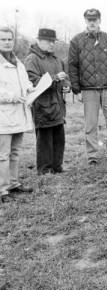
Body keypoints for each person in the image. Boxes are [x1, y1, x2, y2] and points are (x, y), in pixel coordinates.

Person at [68, 8, 107, 165]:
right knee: (91, 124)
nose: (92, 22)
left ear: (99, 20)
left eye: (95, 19)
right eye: (89, 19)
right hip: (88, 89)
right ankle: (92, 156)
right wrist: (76, 89)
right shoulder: (76, 41)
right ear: (85, 21)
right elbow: (72, 67)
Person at [25, 28, 71, 175]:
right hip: (42, 106)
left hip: (58, 105)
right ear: (39, 41)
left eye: (53, 41)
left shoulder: (56, 59)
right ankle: (44, 171)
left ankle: (57, 167)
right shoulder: (32, 59)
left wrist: (66, 86)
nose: (52, 44)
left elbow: (66, 79)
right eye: (48, 41)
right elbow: (33, 82)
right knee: (44, 139)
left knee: (59, 138)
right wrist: (55, 78)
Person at [0, 27, 34, 203]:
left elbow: (24, 80)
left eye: (9, 39)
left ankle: (13, 183)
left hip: (18, 115)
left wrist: (30, 88)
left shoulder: (17, 62)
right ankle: (2, 190)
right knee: (2, 155)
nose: (6, 42)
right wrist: (12, 96)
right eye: (3, 39)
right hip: (3, 117)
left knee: (15, 152)